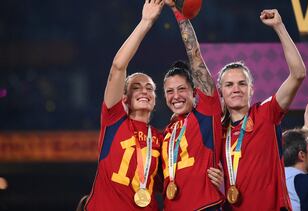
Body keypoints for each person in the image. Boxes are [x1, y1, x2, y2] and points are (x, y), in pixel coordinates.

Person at [217, 9, 306, 210]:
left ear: (251, 89)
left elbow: (298, 74)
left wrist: (279, 27)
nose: (236, 89)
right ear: (221, 92)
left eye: (242, 83)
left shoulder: (266, 113)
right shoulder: (218, 131)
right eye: (229, 85)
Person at [85, 0, 164, 210]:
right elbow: (118, 67)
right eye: (137, 87)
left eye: (150, 88)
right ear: (125, 99)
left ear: (155, 99)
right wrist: (146, 22)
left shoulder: (161, 138)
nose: (145, 90)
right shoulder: (114, 120)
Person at [160, 1, 224, 210]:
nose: (176, 96)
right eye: (170, 91)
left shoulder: (206, 113)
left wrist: (178, 14)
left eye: (181, 89)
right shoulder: (168, 132)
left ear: (195, 92)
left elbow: (195, 57)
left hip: (205, 207)